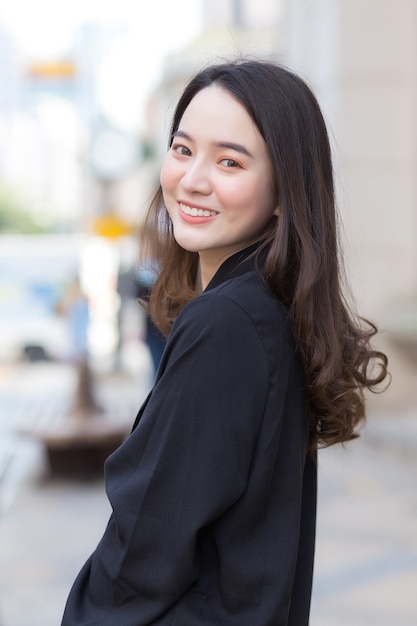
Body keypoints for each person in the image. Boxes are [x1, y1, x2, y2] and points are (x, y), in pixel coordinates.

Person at [61, 59, 389, 625]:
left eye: (230, 161)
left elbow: (144, 545)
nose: (192, 179)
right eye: (183, 149)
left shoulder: (228, 322)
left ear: (285, 192)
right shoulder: (270, 309)